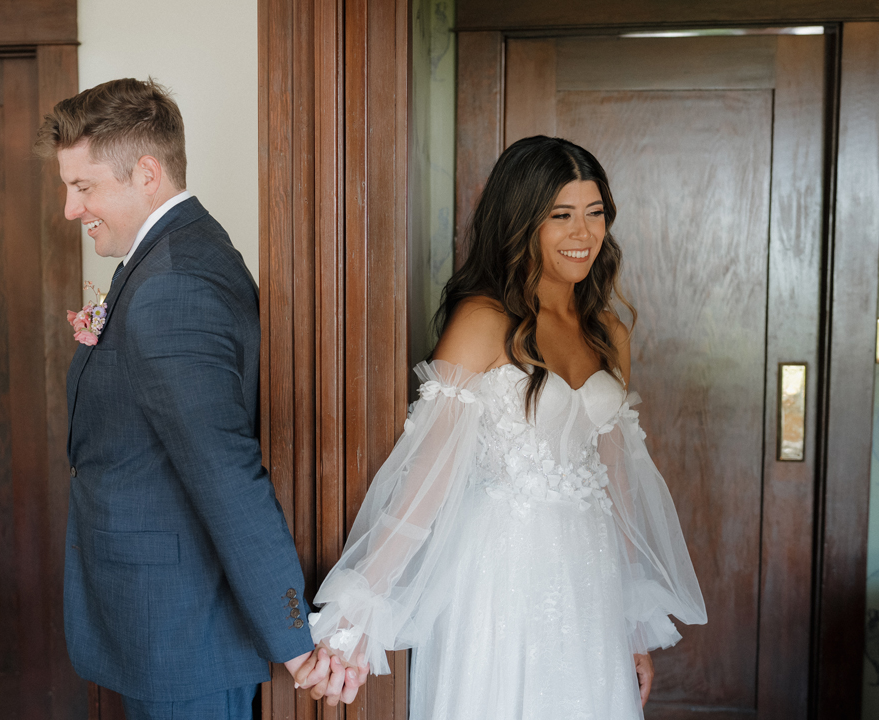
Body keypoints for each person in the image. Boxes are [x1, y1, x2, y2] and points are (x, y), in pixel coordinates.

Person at [300, 136, 707, 719]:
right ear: (522, 221)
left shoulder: (608, 331)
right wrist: (357, 613)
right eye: (561, 215)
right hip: (498, 576)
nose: (583, 233)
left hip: (589, 578)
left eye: (595, 213)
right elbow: (426, 481)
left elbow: (617, 483)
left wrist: (632, 630)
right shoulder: (483, 321)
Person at [36, 78, 364, 720]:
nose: (71, 209)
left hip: (180, 634)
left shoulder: (173, 281)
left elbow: (225, 472)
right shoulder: (172, 255)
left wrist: (293, 638)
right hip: (161, 625)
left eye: (83, 187)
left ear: (146, 173)